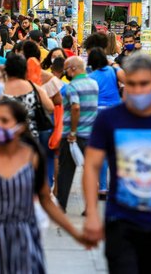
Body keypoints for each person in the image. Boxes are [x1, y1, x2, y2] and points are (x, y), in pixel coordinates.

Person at [0, 99, 94, 274]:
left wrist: (75, 234)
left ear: (20, 126)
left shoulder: (32, 158)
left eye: (4, 121)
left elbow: (46, 201)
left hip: (25, 240)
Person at [83, 53, 151, 274]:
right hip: (122, 223)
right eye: (131, 84)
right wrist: (93, 214)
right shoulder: (109, 119)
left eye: (144, 84)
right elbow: (92, 166)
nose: (138, 90)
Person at [57, 56, 98, 212]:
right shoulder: (94, 84)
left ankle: (61, 206)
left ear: (73, 69)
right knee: (90, 171)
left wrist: (73, 132)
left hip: (72, 135)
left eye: (66, 69)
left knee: (66, 171)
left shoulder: (72, 86)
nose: (66, 72)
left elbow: (75, 108)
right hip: (90, 134)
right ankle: (90, 206)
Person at [87, 48, 123, 199]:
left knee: (101, 151)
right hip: (116, 111)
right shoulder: (113, 71)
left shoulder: (91, 76)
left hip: (99, 114)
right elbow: (126, 79)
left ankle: (102, 188)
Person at [4, 54, 54, 139]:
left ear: (6, 70)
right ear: (25, 70)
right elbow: (50, 108)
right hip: (30, 137)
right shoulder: (34, 88)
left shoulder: (0, 89)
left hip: (5, 136)